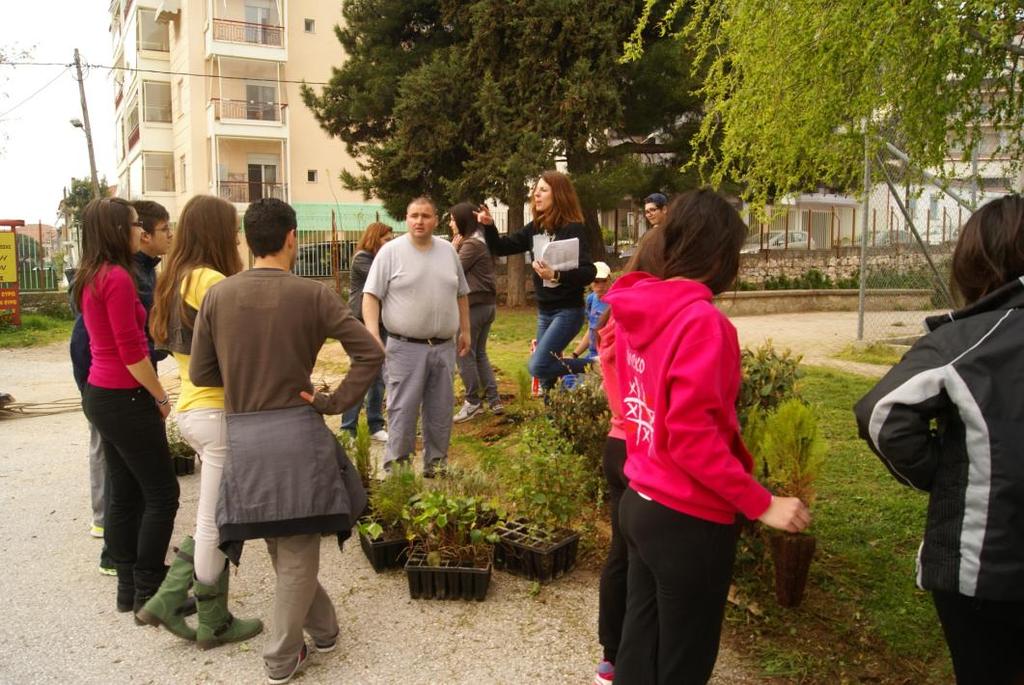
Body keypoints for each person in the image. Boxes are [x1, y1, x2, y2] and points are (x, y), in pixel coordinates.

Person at [605, 189, 810, 684]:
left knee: (640, 646)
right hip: (687, 519)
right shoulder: (703, 323)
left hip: (642, 500)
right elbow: (692, 437)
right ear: (721, 255)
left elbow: (637, 406)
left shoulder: (639, 310)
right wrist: (762, 503)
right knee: (682, 663)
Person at [189, 198, 384, 684]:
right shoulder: (312, 295)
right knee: (291, 545)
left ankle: (325, 629)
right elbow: (370, 352)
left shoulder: (218, 297)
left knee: (284, 541)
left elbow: (200, 372)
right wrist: (333, 401)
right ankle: (282, 657)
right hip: (296, 432)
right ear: (292, 237)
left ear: (247, 241)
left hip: (245, 437)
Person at [854, 195, 1024, 685]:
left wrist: (943, 474)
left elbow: (881, 414)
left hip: (984, 565)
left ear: (975, 261)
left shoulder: (968, 339)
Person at [136, 195, 261, 647]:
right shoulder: (208, 280)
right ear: (215, 232)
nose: (235, 237)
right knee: (212, 520)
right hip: (217, 410)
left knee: (217, 514)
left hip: (192, 405)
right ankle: (208, 617)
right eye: (230, 229)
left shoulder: (174, 277)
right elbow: (246, 340)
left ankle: (174, 601)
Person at [74, 197, 180, 617]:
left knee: (126, 493)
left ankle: (127, 587)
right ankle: (150, 592)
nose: (141, 229)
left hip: (101, 393)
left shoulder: (91, 274)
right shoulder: (117, 277)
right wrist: (159, 395)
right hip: (125, 394)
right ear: (119, 230)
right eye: (136, 224)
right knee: (162, 494)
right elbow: (133, 351)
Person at [592, 232, 665, 685]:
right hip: (642, 447)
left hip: (617, 441)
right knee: (644, 562)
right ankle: (636, 661)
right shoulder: (658, 320)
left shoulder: (619, 313)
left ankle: (611, 656)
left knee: (621, 553)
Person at [362, 196, 471, 476]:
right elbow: (370, 295)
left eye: (425, 215)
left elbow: (461, 294)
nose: (419, 221)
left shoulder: (448, 251)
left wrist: (466, 330)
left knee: (440, 411)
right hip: (404, 347)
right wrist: (373, 333)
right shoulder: (390, 252)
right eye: (414, 216)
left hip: (444, 346)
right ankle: (397, 471)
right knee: (403, 410)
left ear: (435, 219)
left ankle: (436, 465)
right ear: (406, 219)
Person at [480, 171, 597, 389]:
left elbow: (588, 272)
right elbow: (501, 247)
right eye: (536, 190)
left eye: (543, 190)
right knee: (545, 379)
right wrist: (489, 226)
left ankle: (595, 365)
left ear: (559, 195)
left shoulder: (573, 228)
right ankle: (554, 417)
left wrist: (555, 275)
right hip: (545, 311)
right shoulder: (536, 227)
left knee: (539, 366)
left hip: (568, 311)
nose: (536, 194)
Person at [340, 221, 394, 442]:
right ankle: (347, 428)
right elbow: (386, 280)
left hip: (380, 323)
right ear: (374, 239)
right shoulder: (363, 258)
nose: (390, 244)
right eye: (386, 240)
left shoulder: (380, 259)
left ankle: (375, 425)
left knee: (379, 376)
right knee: (361, 374)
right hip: (361, 323)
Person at [449, 202, 501, 422]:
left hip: (475, 306)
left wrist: (452, 249)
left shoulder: (471, 245)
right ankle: (494, 399)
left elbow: (450, 272)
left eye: (452, 219)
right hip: (487, 305)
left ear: (462, 221)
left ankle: (473, 402)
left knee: (464, 354)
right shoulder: (479, 241)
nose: (451, 224)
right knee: (479, 353)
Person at [570, 261, 611, 362]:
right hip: (592, 354)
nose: (600, 285)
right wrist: (574, 355)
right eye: (596, 281)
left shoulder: (616, 301)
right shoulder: (591, 299)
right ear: (590, 282)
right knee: (567, 374)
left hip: (607, 356)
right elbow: (591, 329)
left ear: (610, 279)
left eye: (604, 280)